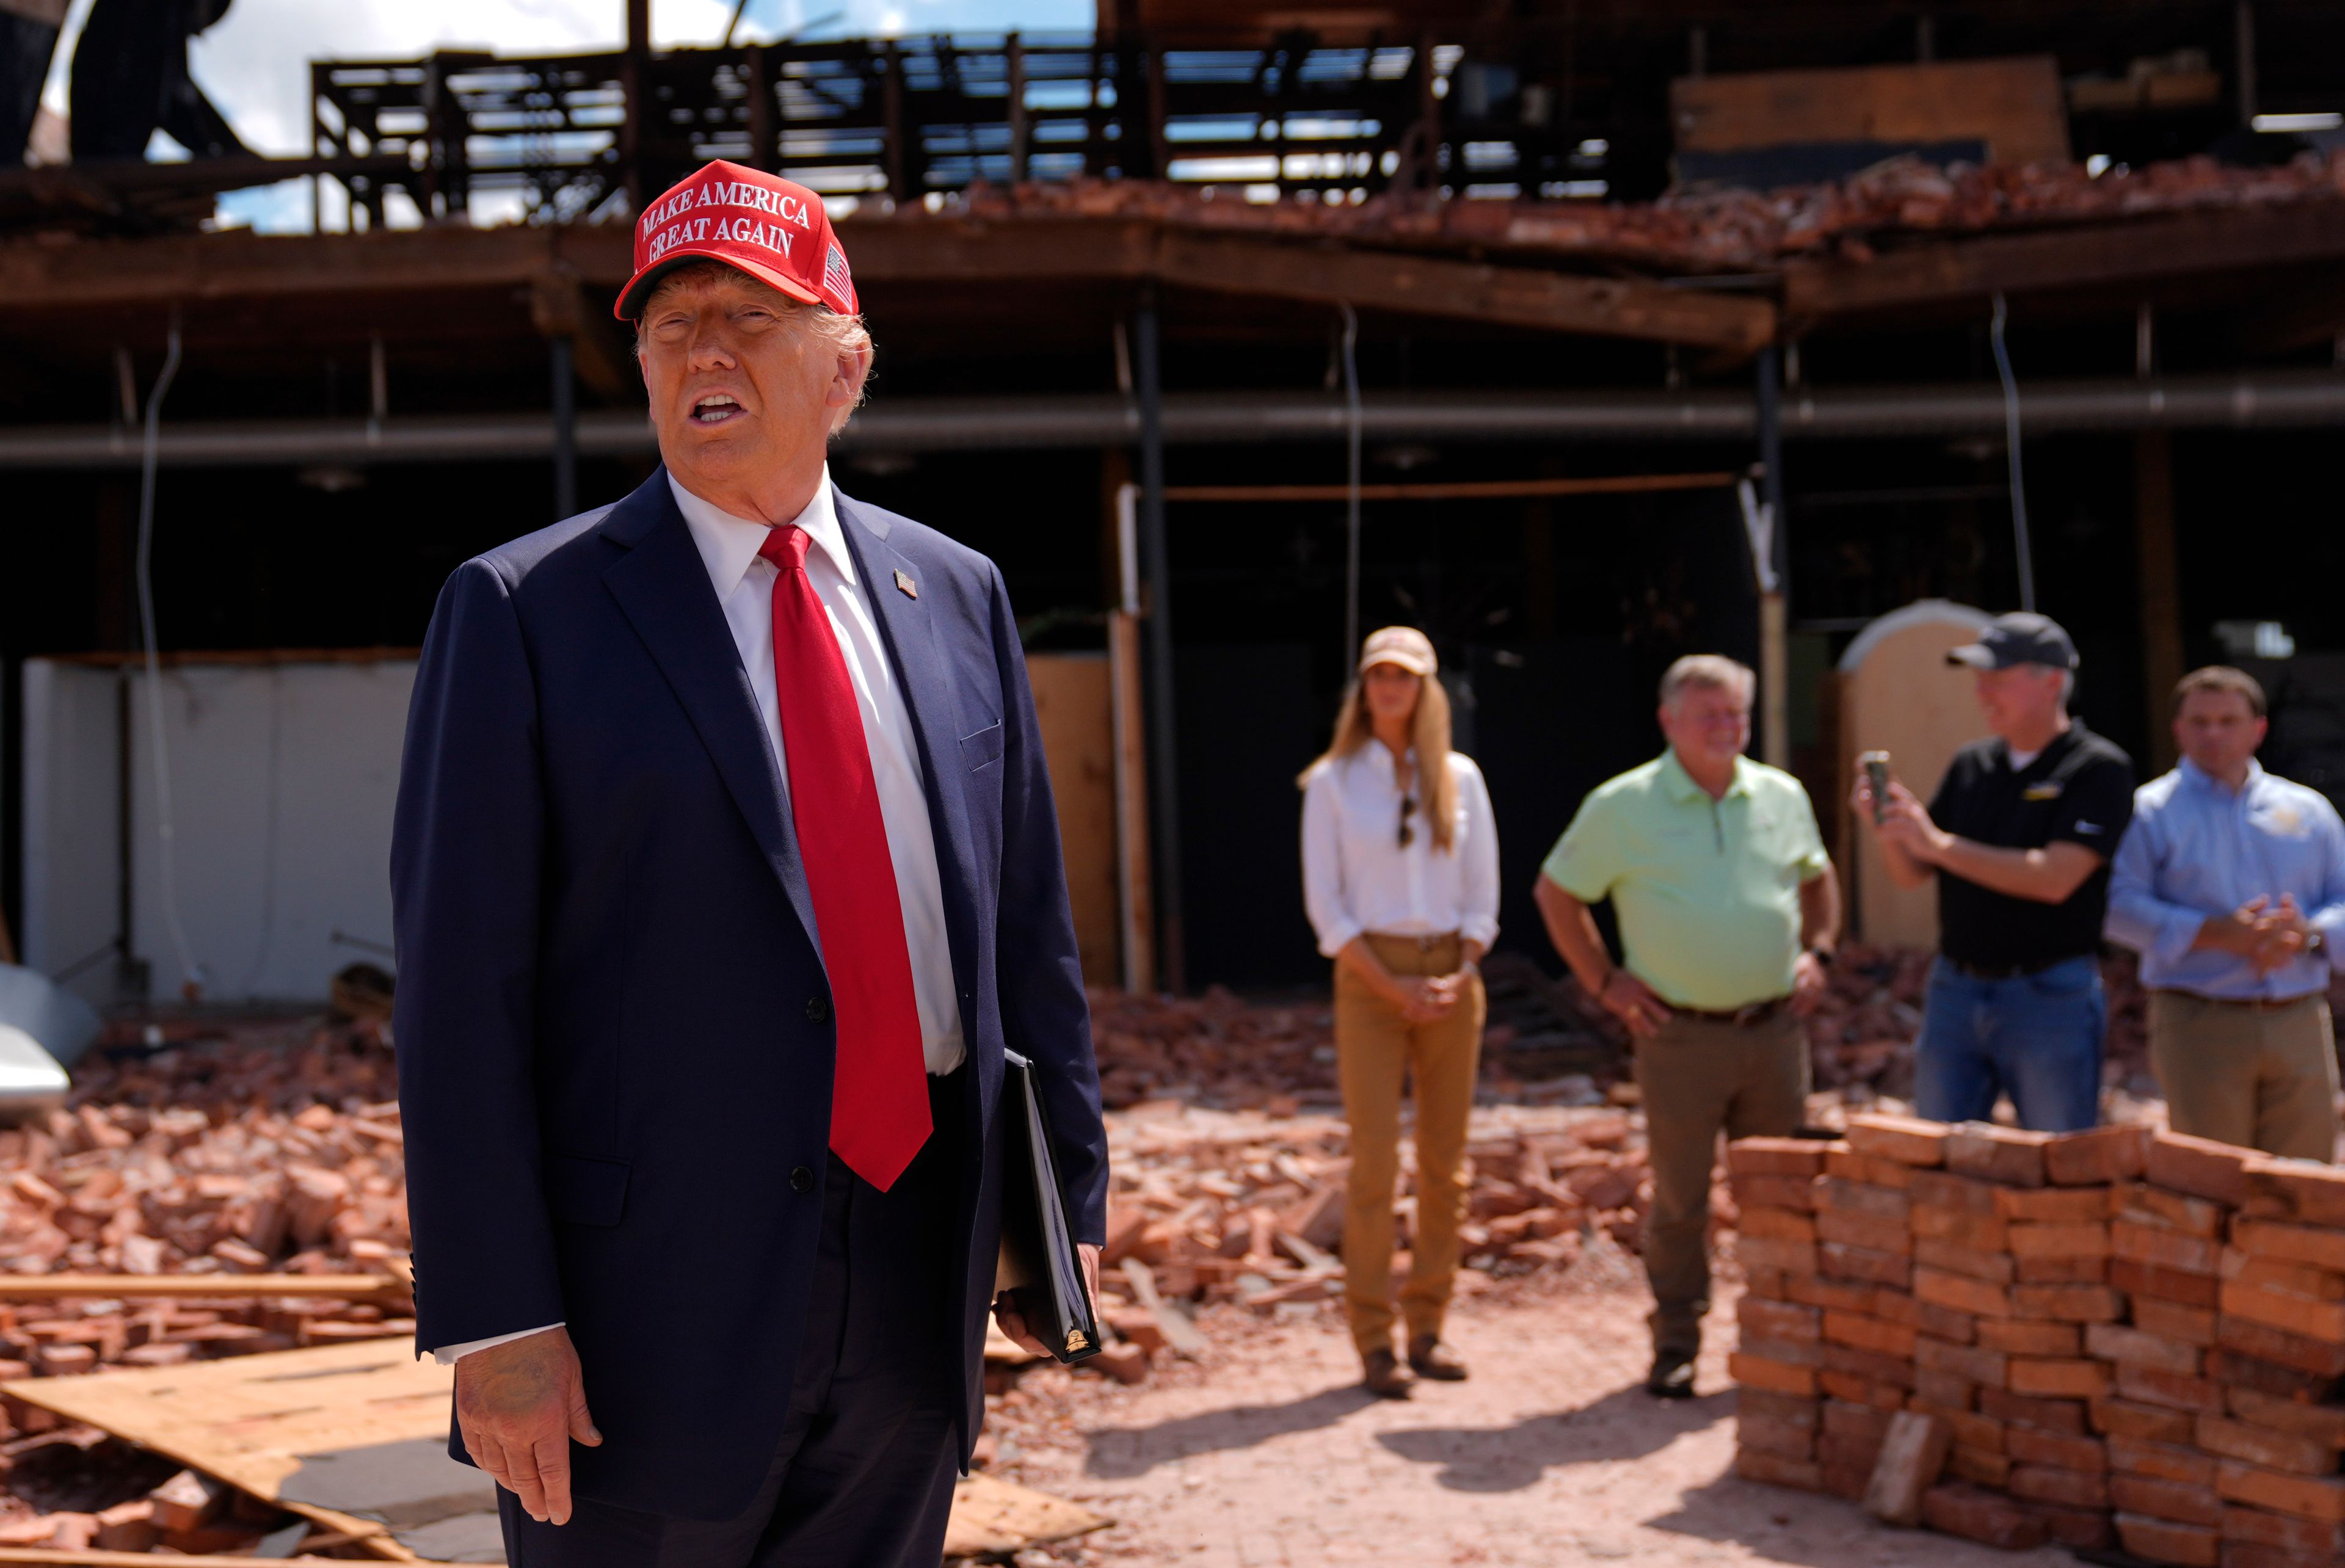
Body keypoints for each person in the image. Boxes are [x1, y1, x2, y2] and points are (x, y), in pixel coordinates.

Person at [391, 159, 1107, 1568]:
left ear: (844, 364)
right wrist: (497, 1315)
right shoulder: (524, 611)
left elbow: (1026, 934)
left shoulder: (954, 591)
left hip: (914, 1270)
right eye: (669, 324)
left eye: (747, 314)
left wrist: (1055, 1215)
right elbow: (459, 994)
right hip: (636, 1305)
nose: (703, 349)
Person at [1535, 655, 1838, 1399]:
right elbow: (1557, 892)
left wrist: (1819, 951)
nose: (1726, 728)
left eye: (1736, 713)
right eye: (1709, 715)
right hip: (1679, 1037)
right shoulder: (1623, 804)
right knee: (1681, 1200)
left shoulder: (1780, 794)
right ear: (1669, 721)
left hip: (1773, 1033)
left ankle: (1782, 1342)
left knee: (1781, 1190)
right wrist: (1604, 982)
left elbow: (1817, 875)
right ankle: (1677, 1344)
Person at [1300, 627, 1500, 1399]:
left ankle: (1430, 1327)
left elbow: (1484, 893)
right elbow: (1328, 905)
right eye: (1379, 674)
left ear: (1428, 687)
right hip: (1370, 979)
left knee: (1446, 1167)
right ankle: (1373, 1339)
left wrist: (1463, 969)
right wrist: (1392, 987)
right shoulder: (1334, 783)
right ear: (1362, 686)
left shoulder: (1462, 778)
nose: (1392, 688)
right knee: (1376, 1163)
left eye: (1406, 676)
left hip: (1453, 977)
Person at [1855, 611, 2134, 1133]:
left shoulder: (2096, 767)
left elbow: (2056, 878)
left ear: (2051, 682)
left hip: (2048, 995)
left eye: (1998, 678)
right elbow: (1914, 872)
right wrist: (1891, 828)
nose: (1982, 691)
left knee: (2057, 1163)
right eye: (1979, 678)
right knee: (1940, 1162)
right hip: (1955, 990)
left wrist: (1937, 843)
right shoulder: (1971, 764)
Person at [2106, 667, 2345, 1160]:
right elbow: (2116, 908)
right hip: (2201, 1020)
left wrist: (2307, 937)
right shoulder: (2149, 811)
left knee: (2302, 1186)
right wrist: (2214, 934)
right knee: (2216, 1185)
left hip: (2298, 1019)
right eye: (2200, 721)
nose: (2214, 733)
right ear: (2178, 729)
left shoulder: (2309, 811)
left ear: (2258, 728)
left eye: (2228, 720)